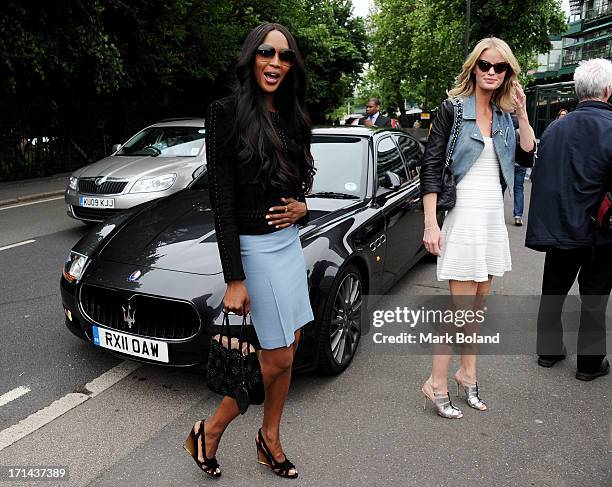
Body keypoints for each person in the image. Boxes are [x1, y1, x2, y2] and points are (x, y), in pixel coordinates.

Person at [184, 23, 316, 478]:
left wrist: (303, 206)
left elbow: (300, 182)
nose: (275, 63)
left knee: (291, 344)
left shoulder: (294, 115)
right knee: (274, 356)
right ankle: (211, 430)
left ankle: (270, 437)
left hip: (287, 245)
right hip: (254, 252)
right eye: (266, 53)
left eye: (284, 56)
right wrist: (234, 277)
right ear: (251, 57)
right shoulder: (225, 113)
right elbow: (221, 200)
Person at [420, 37, 536, 418]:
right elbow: (431, 169)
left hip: (491, 219)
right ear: (473, 68)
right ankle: (435, 383)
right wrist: (431, 223)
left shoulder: (504, 117)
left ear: (507, 74)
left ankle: (467, 375)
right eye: (484, 65)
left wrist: (521, 113)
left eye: (499, 67)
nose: (491, 72)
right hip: (464, 217)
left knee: (477, 308)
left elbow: (527, 151)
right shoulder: (452, 110)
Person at [525, 58, 612, 381]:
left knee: (553, 291)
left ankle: (548, 351)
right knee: (595, 297)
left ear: (578, 92)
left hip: (561, 227)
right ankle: (589, 365)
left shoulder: (556, 127)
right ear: (608, 90)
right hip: (602, 231)